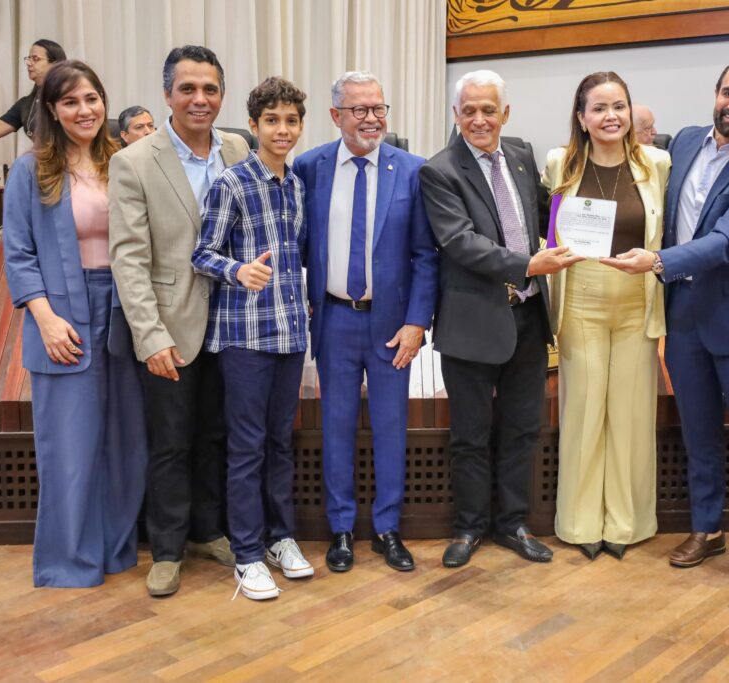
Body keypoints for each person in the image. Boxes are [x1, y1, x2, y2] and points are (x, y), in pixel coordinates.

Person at [607, 54, 729, 588]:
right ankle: (707, 529)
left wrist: (657, 261)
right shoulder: (683, 142)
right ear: (715, 93)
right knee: (698, 433)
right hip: (682, 318)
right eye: (728, 92)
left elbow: (728, 240)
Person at [420, 69, 583, 568]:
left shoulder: (521, 155)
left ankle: (513, 523)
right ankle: (469, 527)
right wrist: (530, 264)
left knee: (522, 430)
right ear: (455, 114)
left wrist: (589, 222)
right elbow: (460, 242)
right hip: (471, 321)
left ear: (505, 113)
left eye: (488, 110)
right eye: (469, 110)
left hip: (528, 316)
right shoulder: (439, 171)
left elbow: (548, 214)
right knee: (470, 435)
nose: (479, 119)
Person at [109, 45, 251, 598]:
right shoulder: (134, 161)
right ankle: (166, 549)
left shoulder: (238, 148)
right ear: (167, 94)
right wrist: (150, 337)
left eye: (210, 89)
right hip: (171, 326)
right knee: (170, 442)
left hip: (234, 325)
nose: (199, 99)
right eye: (187, 88)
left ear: (222, 95)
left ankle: (208, 531)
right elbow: (129, 258)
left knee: (217, 434)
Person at [2, 60, 146, 587]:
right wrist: (45, 319)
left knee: (126, 441)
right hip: (62, 313)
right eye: (70, 102)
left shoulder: (123, 163)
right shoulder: (30, 171)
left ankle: (114, 549)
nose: (84, 110)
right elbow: (18, 255)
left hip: (124, 309)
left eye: (92, 98)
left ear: (105, 102)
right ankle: (68, 562)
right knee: (70, 445)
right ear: (51, 109)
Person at [293, 71, 437, 573]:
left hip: (392, 325)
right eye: (360, 110)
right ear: (336, 116)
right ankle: (340, 529)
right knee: (335, 425)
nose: (372, 118)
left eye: (379, 108)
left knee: (390, 427)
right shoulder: (309, 167)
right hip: (334, 318)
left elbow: (425, 255)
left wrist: (417, 322)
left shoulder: (412, 170)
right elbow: (297, 243)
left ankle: (387, 528)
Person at [191, 77, 313, 601]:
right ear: (254, 125)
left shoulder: (298, 185)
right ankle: (246, 554)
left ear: (301, 126)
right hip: (243, 336)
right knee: (246, 447)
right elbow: (202, 253)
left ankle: (279, 538)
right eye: (272, 120)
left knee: (280, 443)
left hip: (290, 333)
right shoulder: (232, 183)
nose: (282, 130)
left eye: (291, 120)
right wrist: (238, 270)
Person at [542, 72, 671, 560]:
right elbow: (548, 230)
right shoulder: (560, 163)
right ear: (581, 118)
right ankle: (580, 523)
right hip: (582, 297)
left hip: (636, 297)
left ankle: (626, 522)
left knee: (631, 414)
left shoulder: (657, 163)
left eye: (619, 106)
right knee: (583, 411)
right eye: (598, 108)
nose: (611, 116)